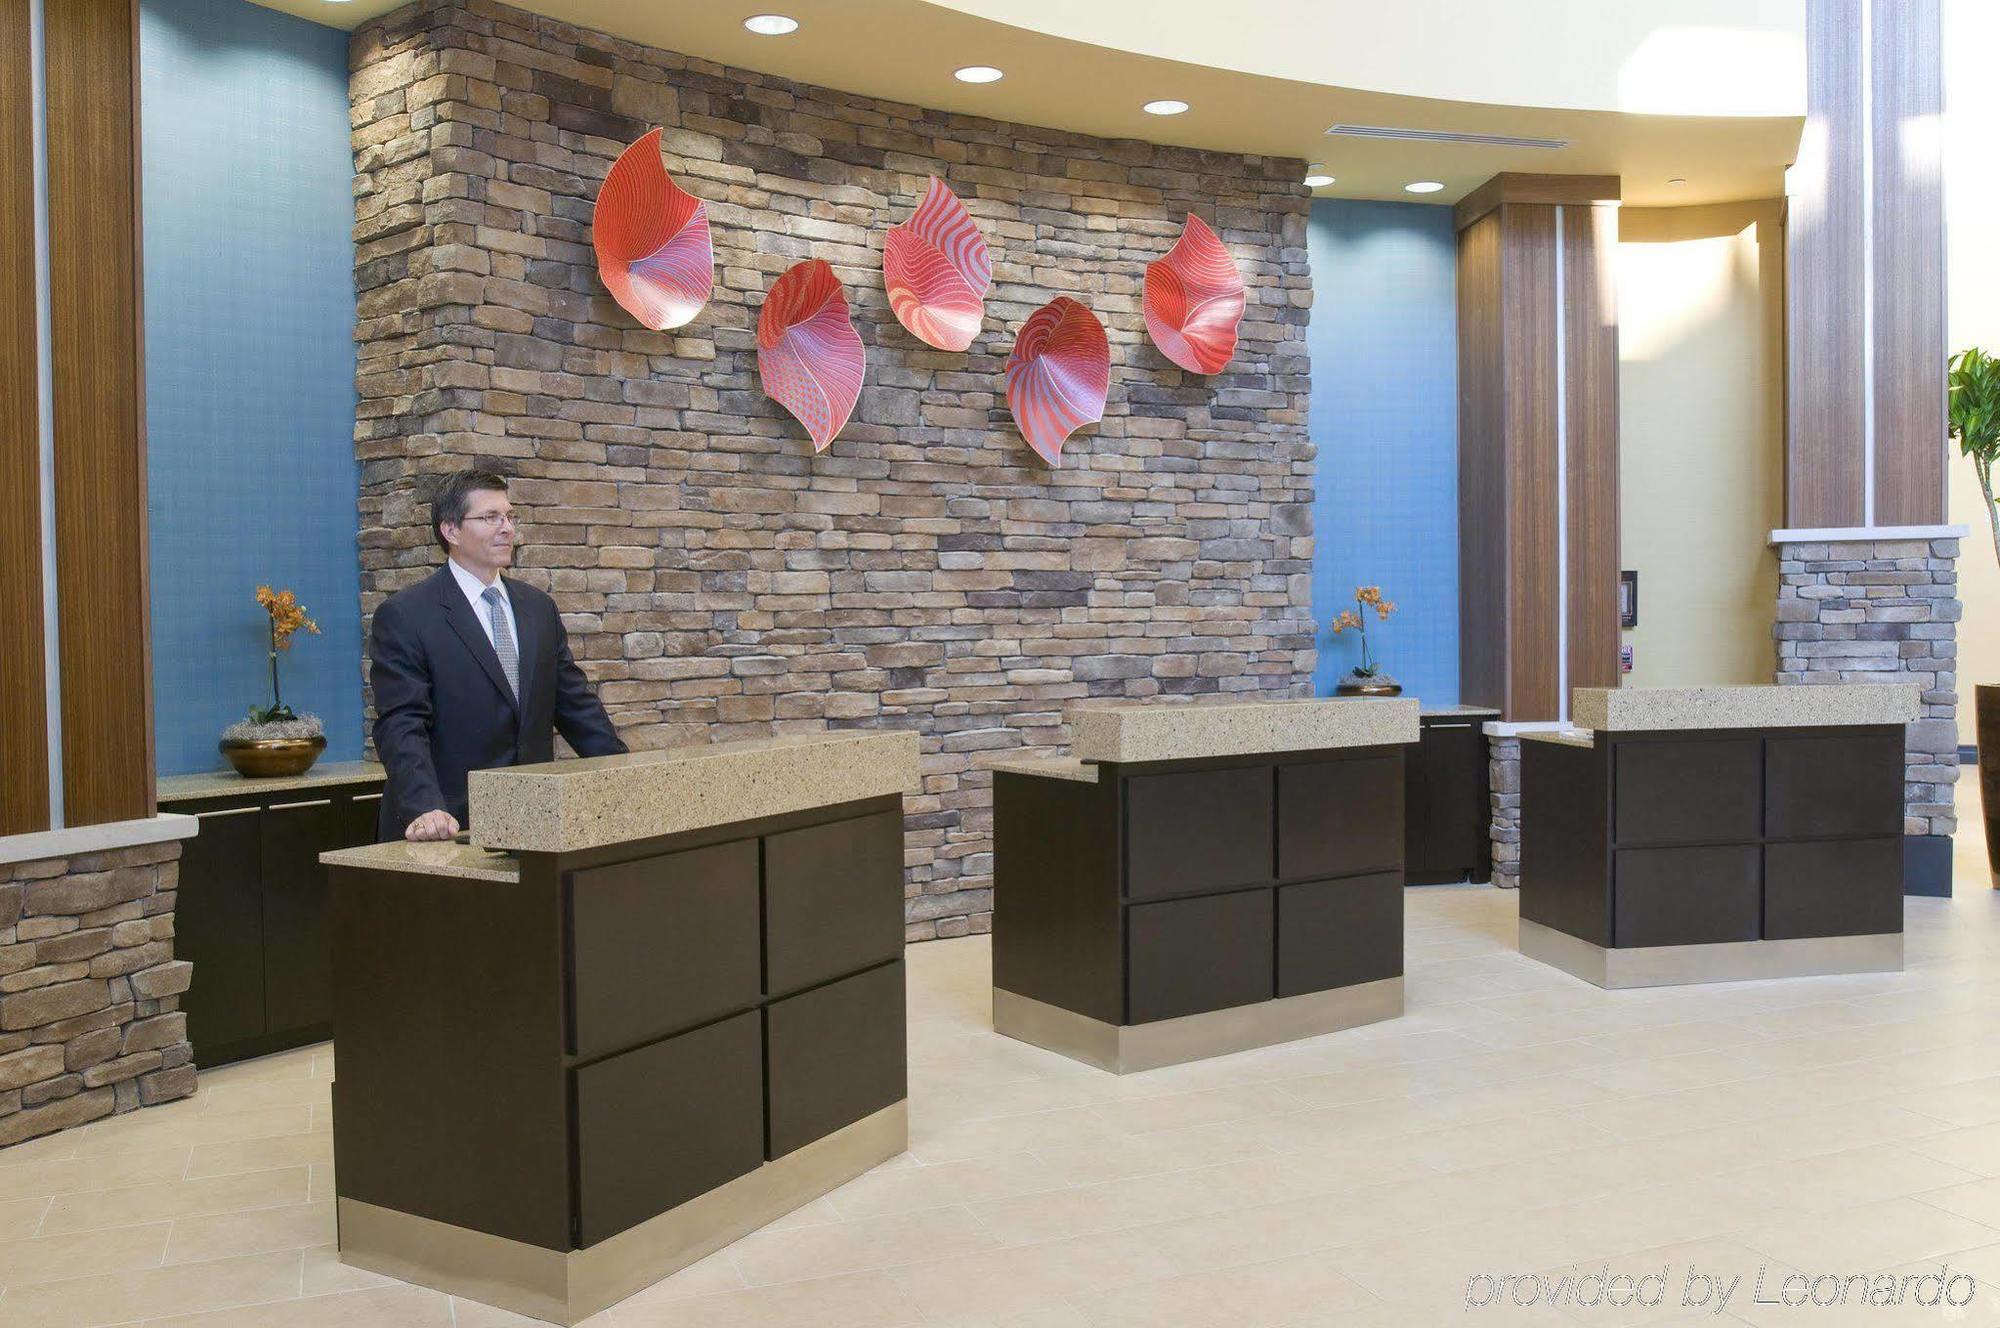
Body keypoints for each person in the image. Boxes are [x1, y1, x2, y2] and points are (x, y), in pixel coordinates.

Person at [369, 470, 627, 841]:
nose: (507, 528)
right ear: (451, 531)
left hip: (532, 824)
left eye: (509, 516)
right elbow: (401, 723)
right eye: (490, 517)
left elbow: (576, 706)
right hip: (448, 829)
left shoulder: (538, 608)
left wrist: (627, 773)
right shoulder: (406, 615)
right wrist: (425, 807)